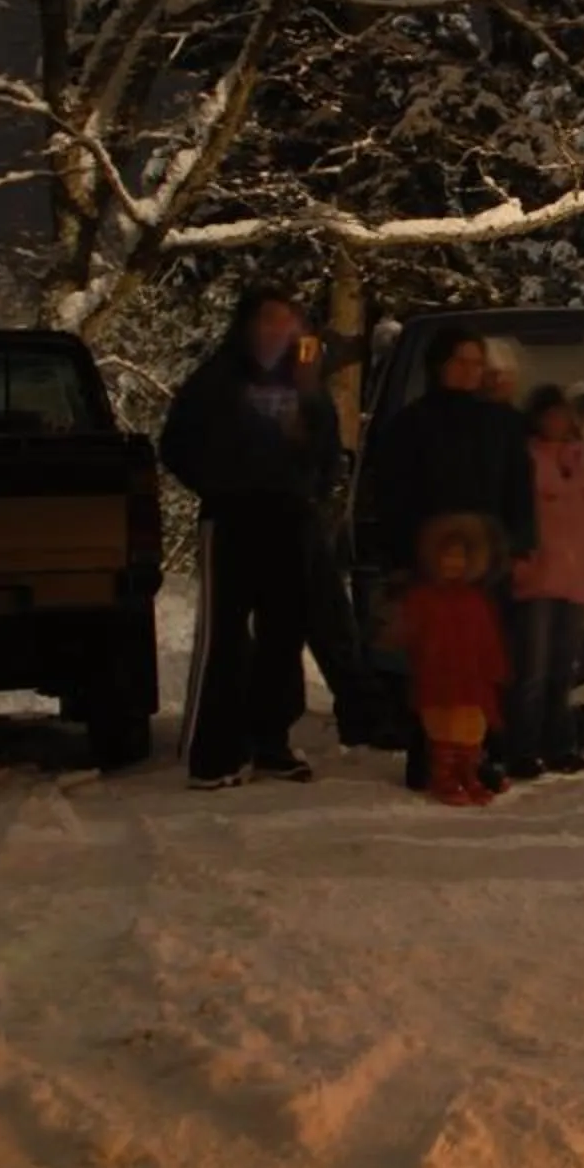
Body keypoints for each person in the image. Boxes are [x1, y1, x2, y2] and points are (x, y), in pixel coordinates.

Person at [160, 287, 342, 790]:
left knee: (284, 634)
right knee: (226, 635)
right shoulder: (219, 379)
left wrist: (314, 487)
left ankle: (271, 742)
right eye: (269, 321)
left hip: (290, 516)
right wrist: (219, 483)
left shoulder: (305, 384)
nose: (279, 331)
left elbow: (328, 445)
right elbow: (176, 444)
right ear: (248, 326)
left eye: (288, 322)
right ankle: (213, 753)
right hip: (233, 517)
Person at [365, 327, 539, 789]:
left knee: (487, 660)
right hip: (432, 560)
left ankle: (485, 754)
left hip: (489, 558)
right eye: (459, 361)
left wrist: (520, 544)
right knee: (436, 663)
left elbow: (519, 489)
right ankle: (429, 756)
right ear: (440, 366)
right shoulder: (413, 424)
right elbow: (392, 495)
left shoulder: (502, 423)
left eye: (475, 362)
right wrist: (403, 556)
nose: (468, 371)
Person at [507, 386, 584, 776]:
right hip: (538, 574)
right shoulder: (527, 460)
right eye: (549, 416)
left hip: (577, 574)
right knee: (531, 666)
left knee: (564, 668)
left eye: (562, 416)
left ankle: (561, 744)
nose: (557, 423)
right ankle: (522, 748)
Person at [391, 514, 509, 807]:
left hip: (471, 680)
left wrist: (495, 669)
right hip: (439, 679)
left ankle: (469, 774)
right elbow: (409, 634)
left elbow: (487, 639)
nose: (453, 564)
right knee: (444, 730)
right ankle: (444, 776)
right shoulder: (423, 598)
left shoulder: (476, 600)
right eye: (448, 557)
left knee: (471, 732)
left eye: (460, 557)